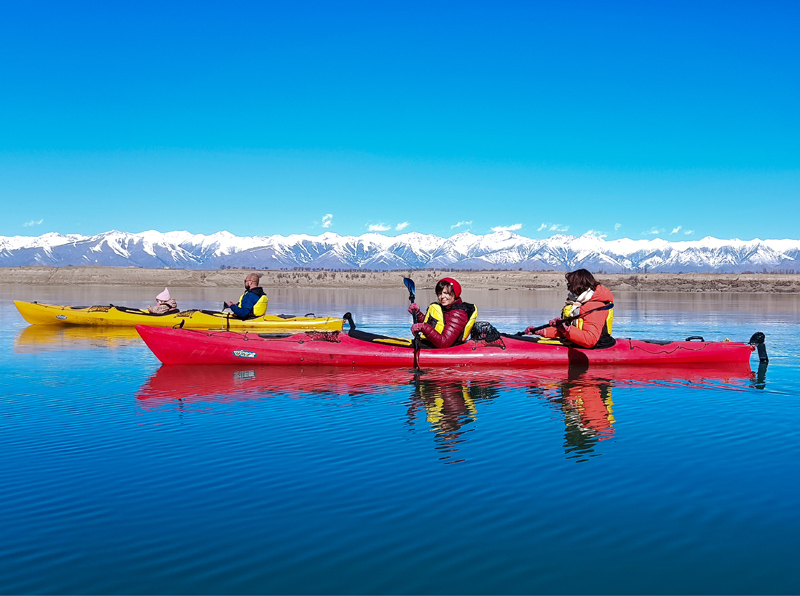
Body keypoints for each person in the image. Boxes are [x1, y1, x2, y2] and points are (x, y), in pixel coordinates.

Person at [526, 269, 614, 348]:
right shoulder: (577, 305)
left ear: (578, 286)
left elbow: (590, 340)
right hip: (577, 343)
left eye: (569, 285)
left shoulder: (595, 307)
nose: (568, 289)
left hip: (598, 346)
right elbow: (563, 333)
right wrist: (540, 331)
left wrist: (567, 329)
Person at [409, 277, 478, 348]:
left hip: (447, 349)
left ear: (455, 294)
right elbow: (433, 326)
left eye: (446, 293)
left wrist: (422, 327)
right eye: (439, 293)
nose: (442, 296)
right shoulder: (446, 308)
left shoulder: (458, 315)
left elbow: (444, 342)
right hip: (433, 345)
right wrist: (417, 314)